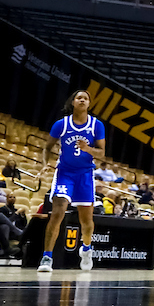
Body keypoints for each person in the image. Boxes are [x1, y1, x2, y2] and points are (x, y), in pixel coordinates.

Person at [37, 90, 105, 273]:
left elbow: (101, 153)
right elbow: (47, 147)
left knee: (86, 221)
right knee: (57, 213)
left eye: (86, 98)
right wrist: (45, 164)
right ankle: (46, 257)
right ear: (73, 102)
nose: (82, 100)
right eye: (79, 97)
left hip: (85, 175)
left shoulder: (96, 125)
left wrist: (88, 148)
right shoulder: (61, 124)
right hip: (65, 173)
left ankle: (86, 249)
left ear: (89, 104)